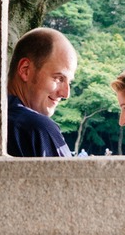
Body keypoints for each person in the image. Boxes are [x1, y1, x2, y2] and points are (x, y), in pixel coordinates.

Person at [6, 28, 77, 157]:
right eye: (59, 78)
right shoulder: (37, 129)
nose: (66, 94)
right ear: (25, 70)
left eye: (69, 82)